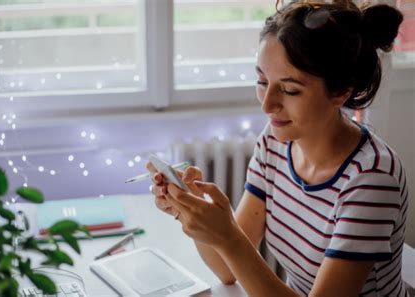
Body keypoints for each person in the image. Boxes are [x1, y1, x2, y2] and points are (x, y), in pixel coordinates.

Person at [147, 0, 408, 296]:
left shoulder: (371, 179)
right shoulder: (274, 144)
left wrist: (229, 237)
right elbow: (226, 270)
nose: (267, 103)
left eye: (290, 89)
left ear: (340, 92)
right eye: (262, 80)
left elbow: (234, 249)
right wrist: (191, 210)